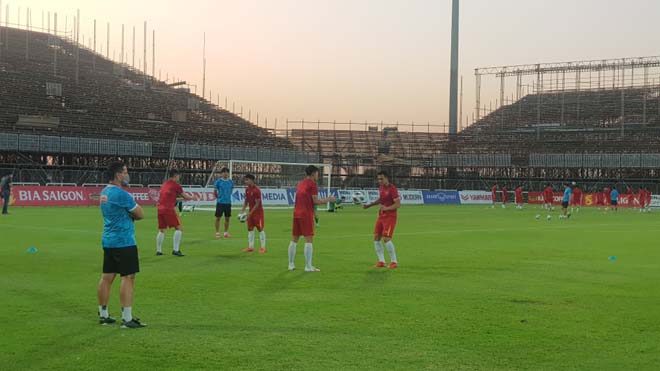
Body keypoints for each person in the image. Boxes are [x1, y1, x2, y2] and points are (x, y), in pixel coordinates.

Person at [97, 162, 146, 329]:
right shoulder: (122, 194)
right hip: (124, 241)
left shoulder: (104, 193)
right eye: (125, 172)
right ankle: (127, 317)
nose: (127, 175)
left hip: (108, 240)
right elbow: (140, 214)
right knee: (128, 277)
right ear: (118, 174)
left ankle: (103, 314)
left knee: (106, 277)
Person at [287, 165, 336, 272]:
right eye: (317, 173)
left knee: (294, 239)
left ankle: (291, 264)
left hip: (296, 213)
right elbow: (316, 201)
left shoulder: (301, 183)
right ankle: (308, 266)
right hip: (305, 214)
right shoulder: (312, 184)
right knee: (309, 240)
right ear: (313, 173)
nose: (318, 175)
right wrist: (329, 199)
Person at [363, 170, 401, 269]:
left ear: (386, 178)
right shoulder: (381, 188)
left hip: (390, 217)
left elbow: (398, 204)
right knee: (376, 237)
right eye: (378, 179)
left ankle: (394, 261)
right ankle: (381, 261)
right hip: (381, 216)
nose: (379, 181)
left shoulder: (392, 189)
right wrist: (369, 205)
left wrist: (386, 208)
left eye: (381, 179)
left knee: (386, 238)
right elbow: (381, 200)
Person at [156, 170, 194, 257]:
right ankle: (176, 250)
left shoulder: (164, 184)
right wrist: (192, 197)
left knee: (161, 230)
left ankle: (159, 251)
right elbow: (186, 196)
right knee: (179, 228)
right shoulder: (176, 185)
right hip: (168, 209)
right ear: (176, 176)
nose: (179, 178)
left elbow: (169, 198)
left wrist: (181, 199)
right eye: (178, 176)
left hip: (160, 209)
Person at [240, 174, 266, 253]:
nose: (246, 181)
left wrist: (250, 213)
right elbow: (246, 201)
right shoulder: (247, 189)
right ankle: (251, 247)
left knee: (260, 229)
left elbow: (257, 203)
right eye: (245, 180)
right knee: (250, 229)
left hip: (258, 213)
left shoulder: (256, 190)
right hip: (251, 212)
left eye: (247, 180)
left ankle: (263, 248)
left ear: (251, 180)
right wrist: (242, 210)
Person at [214, 167, 234, 239]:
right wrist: (219, 198)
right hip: (220, 202)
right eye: (224, 172)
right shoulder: (218, 181)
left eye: (226, 172)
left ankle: (226, 233)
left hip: (228, 203)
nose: (225, 173)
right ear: (221, 173)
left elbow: (231, 191)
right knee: (218, 218)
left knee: (227, 218)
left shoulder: (231, 182)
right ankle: (217, 233)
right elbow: (215, 192)